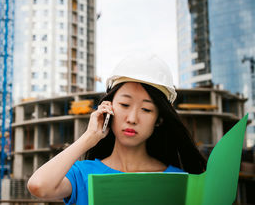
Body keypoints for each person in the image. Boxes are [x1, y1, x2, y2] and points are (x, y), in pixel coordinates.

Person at [27, 53, 207, 205]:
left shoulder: (179, 180)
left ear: (159, 119)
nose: (132, 119)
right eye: (124, 104)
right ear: (109, 107)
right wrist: (89, 137)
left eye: (146, 109)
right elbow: (39, 186)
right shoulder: (83, 174)